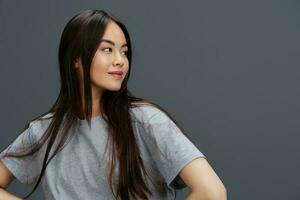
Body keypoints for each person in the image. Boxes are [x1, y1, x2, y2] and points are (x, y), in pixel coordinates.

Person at [0, 9, 227, 200]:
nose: (120, 60)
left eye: (124, 51)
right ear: (76, 59)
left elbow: (212, 192)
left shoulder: (146, 121)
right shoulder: (44, 132)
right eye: (107, 49)